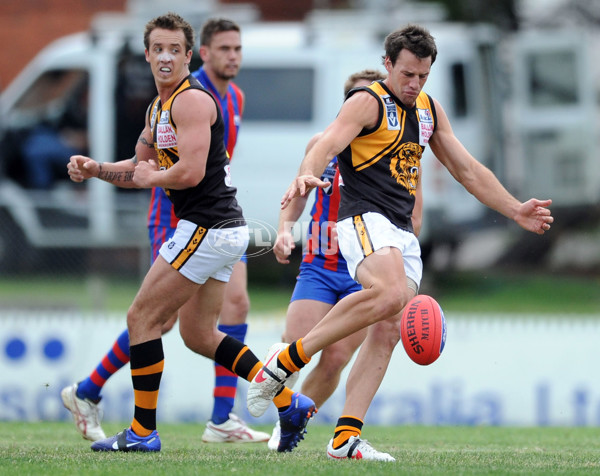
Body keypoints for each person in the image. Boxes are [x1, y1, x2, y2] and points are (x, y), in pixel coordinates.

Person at [247, 24, 554, 461]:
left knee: (390, 325)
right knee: (389, 294)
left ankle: (345, 437)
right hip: (361, 219)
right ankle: (283, 363)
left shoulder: (428, 109)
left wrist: (514, 208)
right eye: (407, 74)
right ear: (388, 64)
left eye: (423, 76)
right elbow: (326, 143)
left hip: (401, 232)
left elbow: (467, 169)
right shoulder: (367, 101)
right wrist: (306, 173)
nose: (414, 84)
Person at [66, 12, 315, 453]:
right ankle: (288, 401)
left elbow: (189, 171)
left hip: (206, 227)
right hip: (219, 230)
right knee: (199, 335)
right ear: (146, 54)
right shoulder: (158, 106)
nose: (165, 57)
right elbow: (137, 165)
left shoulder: (191, 101)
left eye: (173, 50)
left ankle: (143, 431)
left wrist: (152, 179)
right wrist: (95, 169)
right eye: (157, 49)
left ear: (187, 56)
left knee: (141, 319)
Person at [267, 68, 425, 451]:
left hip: (365, 268)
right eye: (356, 99)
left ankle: (290, 428)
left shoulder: (397, 152)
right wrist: (285, 228)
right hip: (320, 265)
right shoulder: (324, 144)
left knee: (335, 356)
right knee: (296, 341)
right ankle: (287, 409)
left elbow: (413, 216)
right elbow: (299, 194)